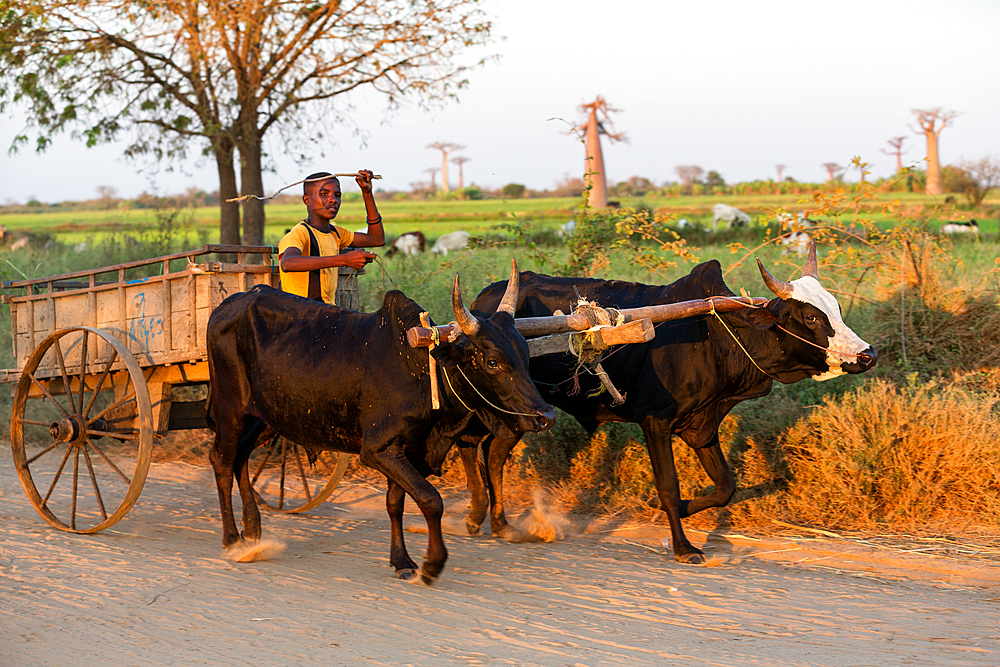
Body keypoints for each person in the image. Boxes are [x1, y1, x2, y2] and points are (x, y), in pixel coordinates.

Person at [278, 170, 385, 305]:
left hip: (327, 312)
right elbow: (288, 263)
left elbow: (377, 239)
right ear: (307, 200)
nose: (333, 199)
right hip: (300, 314)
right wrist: (344, 259)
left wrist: (367, 193)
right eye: (324, 194)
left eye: (337, 195)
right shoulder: (299, 233)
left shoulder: (336, 233)